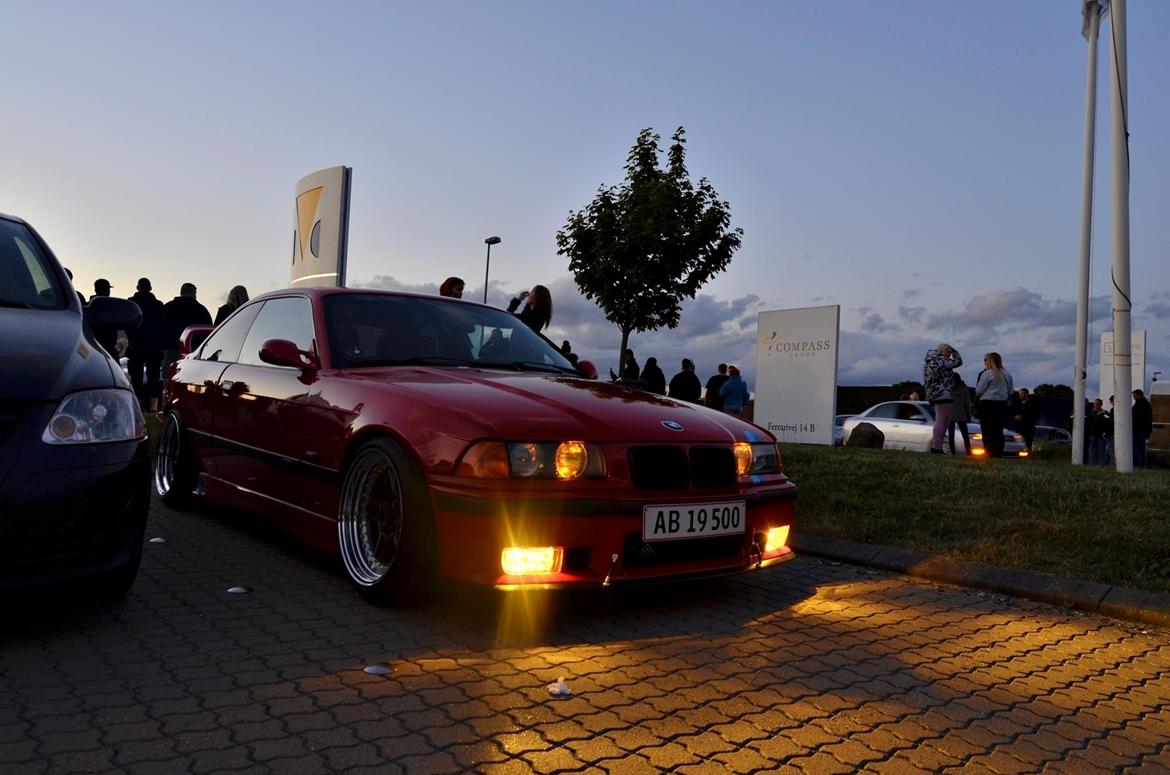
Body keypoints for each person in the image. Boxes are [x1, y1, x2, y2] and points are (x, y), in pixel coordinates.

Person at [128, 278, 166, 409]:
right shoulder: (158, 305)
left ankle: (136, 405)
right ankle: (153, 407)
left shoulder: (130, 303)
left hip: (135, 344)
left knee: (136, 377)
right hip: (154, 345)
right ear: (150, 288)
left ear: (137, 287)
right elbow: (162, 326)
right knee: (153, 377)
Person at [923, 343, 962, 455]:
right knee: (941, 421)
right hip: (942, 393)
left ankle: (937, 446)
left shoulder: (930, 361)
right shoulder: (941, 361)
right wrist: (955, 350)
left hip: (936, 393)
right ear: (941, 351)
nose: (950, 354)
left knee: (943, 420)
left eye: (950, 351)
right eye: (948, 351)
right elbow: (958, 362)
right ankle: (936, 447)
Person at [163, 282, 212, 368]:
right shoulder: (202, 310)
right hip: (194, 350)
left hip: (171, 348)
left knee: (169, 373)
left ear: (181, 292)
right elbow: (208, 331)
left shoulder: (168, 307)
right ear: (194, 294)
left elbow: (160, 327)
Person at [975, 352, 1014, 458]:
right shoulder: (1007, 374)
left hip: (987, 404)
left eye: (985, 360)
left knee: (987, 430)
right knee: (998, 430)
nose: (984, 362)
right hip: (1001, 405)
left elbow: (979, 391)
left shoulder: (987, 373)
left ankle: (989, 452)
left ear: (990, 361)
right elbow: (1011, 391)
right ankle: (997, 453)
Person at [948, 374, 973, 455]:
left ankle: (952, 452)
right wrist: (969, 417)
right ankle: (968, 452)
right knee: (965, 435)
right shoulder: (964, 389)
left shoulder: (949, 389)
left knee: (951, 435)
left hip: (950, 414)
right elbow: (967, 404)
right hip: (961, 414)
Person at [1013, 387, 1042, 453]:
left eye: (1021, 393)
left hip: (1029, 427)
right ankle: (1017, 456)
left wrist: (1024, 417)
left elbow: (1036, 415)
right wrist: (1015, 417)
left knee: (1028, 442)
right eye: (1019, 394)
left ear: (1026, 394)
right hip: (1019, 427)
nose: (1020, 395)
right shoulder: (1018, 404)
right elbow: (1013, 414)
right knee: (1019, 442)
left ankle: (1029, 457)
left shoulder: (1032, 404)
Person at [1133, 389, 1153, 470]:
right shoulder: (1138, 404)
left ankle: (1142, 466)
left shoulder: (1143, 405)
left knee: (1140, 449)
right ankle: (1137, 465)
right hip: (1138, 430)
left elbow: (1144, 419)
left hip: (1140, 431)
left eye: (1134, 395)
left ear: (1139, 395)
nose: (1133, 397)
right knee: (1136, 449)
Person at [1088, 398, 1110, 465]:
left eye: (1097, 404)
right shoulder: (1090, 412)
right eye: (1094, 403)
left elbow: (1108, 421)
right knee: (1092, 450)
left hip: (1101, 434)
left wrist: (1105, 432)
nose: (1095, 405)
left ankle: (1102, 464)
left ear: (1101, 405)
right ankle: (1092, 463)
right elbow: (1088, 422)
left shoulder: (1105, 413)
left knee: (1102, 450)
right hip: (1093, 434)